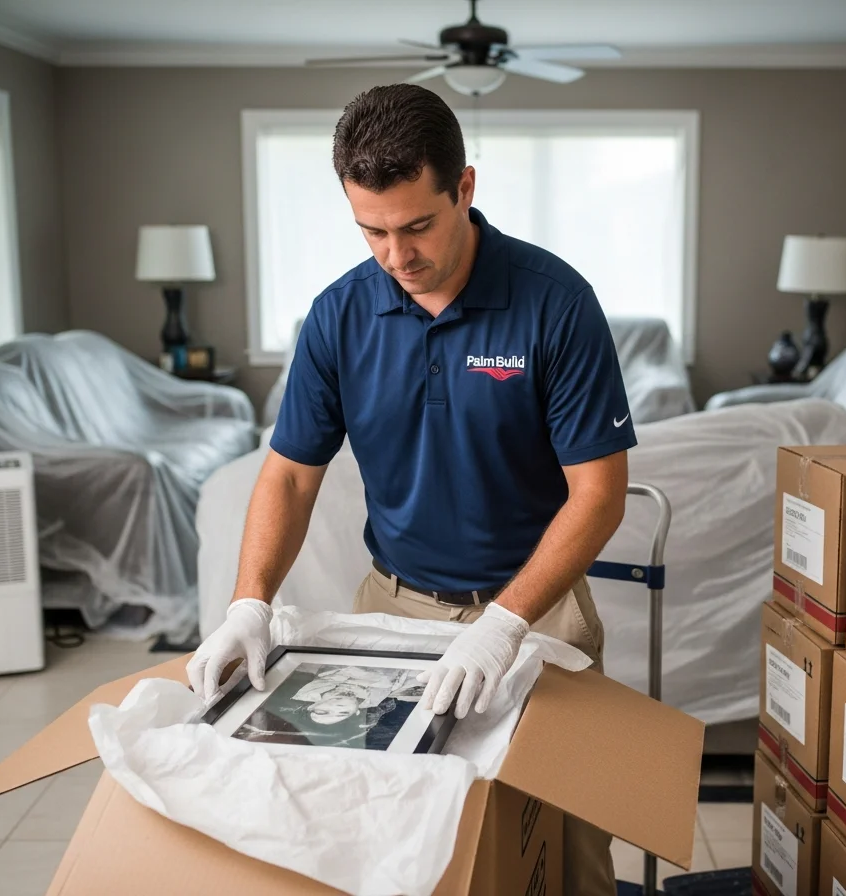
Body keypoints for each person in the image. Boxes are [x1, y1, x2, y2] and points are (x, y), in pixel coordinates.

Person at [187, 83, 635, 896]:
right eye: (373, 231)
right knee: (407, 841)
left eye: (417, 225)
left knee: (566, 848)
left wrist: (501, 626)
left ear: (464, 187)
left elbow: (599, 492)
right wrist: (248, 602)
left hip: (538, 615)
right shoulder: (338, 317)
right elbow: (289, 473)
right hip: (393, 610)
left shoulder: (555, 302)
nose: (396, 255)